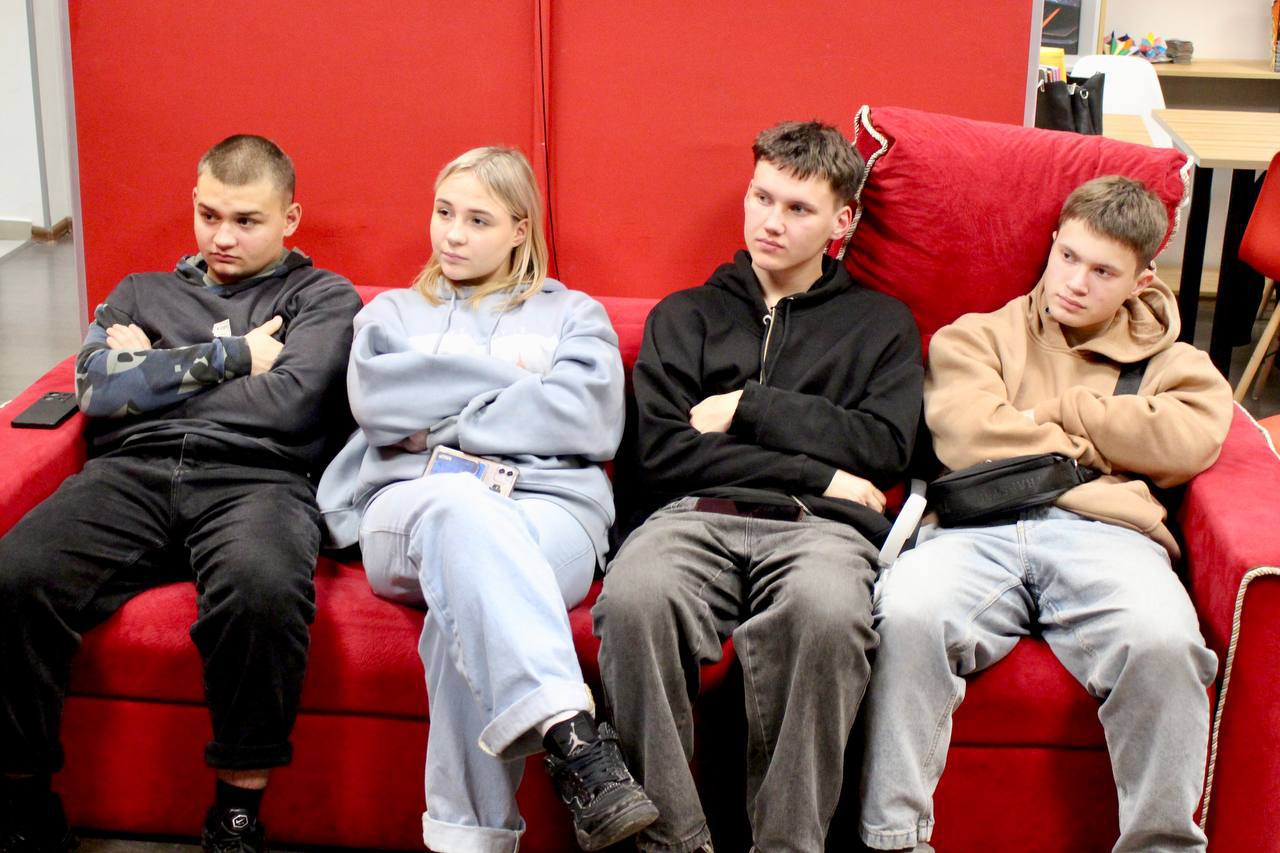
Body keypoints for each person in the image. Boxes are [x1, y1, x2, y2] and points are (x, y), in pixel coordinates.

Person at [0, 134, 362, 853]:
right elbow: (97, 391)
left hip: (258, 479)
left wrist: (154, 373)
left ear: (290, 218)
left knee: (262, 589)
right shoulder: (140, 290)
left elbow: (290, 404)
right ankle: (23, 806)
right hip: (129, 473)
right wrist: (236, 358)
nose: (222, 237)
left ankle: (235, 817)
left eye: (247, 220)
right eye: (209, 215)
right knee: (13, 575)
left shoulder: (322, 297)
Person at [858, 176, 1231, 853]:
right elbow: (967, 435)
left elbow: (1186, 442)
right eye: (1068, 257)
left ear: (1142, 280)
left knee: (1165, 643)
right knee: (908, 614)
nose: (1076, 283)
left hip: (1108, 536)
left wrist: (1059, 412)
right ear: (1053, 244)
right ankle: (894, 841)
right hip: (977, 528)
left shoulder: (1178, 363)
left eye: (1103, 272)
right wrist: (1107, 442)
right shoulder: (976, 337)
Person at [591, 120, 924, 852]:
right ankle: (672, 843)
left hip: (820, 530)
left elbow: (885, 446)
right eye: (761, 197)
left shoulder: (881, 325)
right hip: (692, 516)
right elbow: (665, 454)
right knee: (633, 598)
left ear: (842, 221)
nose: (771, 221)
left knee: (829, 614)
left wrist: (749, 408)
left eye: (798, 208)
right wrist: (818, 468)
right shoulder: (686, 315)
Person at [316, 146, 656, 853]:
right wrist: (519, 385)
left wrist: (441, 418)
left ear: (519, 229)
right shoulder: (392, 315)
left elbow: (588, 419)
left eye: (477, 220)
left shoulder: (575, 315)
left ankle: (470, 842)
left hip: (549, 511)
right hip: (408, 507)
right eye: (444, 212)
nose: (452, 234)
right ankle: (573, 734)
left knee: (466, 601)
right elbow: (380, 405)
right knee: (458, 508)